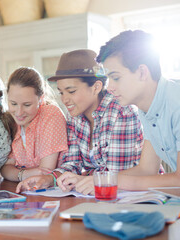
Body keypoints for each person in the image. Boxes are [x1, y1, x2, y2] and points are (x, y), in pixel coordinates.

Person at [16, 50, 144, 195]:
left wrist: (80, 178)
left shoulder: (122, 112)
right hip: (99, 196)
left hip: (136, 195)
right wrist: (48, 179)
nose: (64, 100)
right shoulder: (74, 116)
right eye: (61, 92)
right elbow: (72, 163)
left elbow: (114, 174)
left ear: (96, 87)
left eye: (71, 91)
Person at [96, 30, 180, 190]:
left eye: (115, 78)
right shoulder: (146, 108)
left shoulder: (176, 102)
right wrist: (98, 179)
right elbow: (147, 169)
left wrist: (112, 182)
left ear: (142, 72)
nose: (110, 88)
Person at [1, 67, 68, 182]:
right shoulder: (11, 120)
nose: (19, 112)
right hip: (27, 189)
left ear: (41, 99)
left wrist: (17, 173)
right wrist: (25, 174)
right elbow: (4, 169)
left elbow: (45, 171)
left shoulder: (51, 115)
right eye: (13, 103)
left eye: (27, 105)